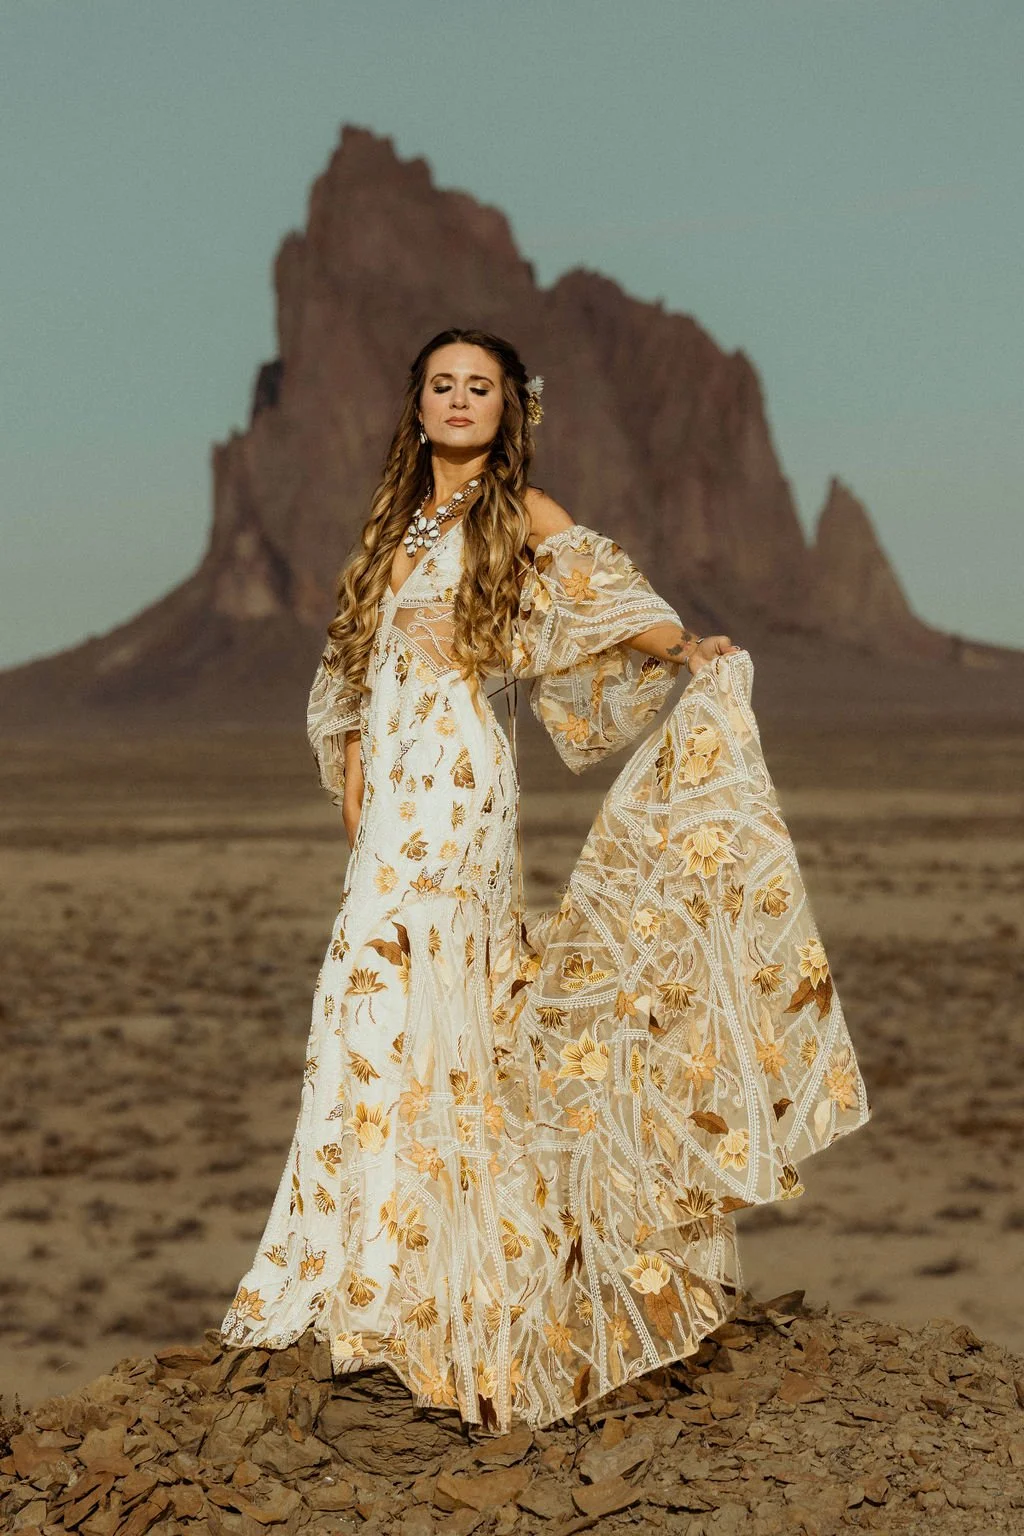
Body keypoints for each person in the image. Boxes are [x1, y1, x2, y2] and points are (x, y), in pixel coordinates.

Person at [220, 327, 871, 1433]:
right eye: (443, 385)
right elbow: (348, 690)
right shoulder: (388, 531)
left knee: (448, 1016)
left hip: (465, 797)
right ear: (416, 404)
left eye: (480, 387)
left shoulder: (525, 514)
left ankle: (453, 1277)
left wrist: (683, 652)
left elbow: (612, 601)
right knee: (364, 1009)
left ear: (507, 408)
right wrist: (362, 818)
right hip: (391, 819)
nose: (460, 400)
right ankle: (355, 1267)